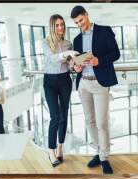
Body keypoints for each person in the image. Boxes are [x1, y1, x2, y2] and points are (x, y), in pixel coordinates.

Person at [71, 6, 120, 174]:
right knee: (89, 121)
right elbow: (76, 62)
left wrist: (99, 61)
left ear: (86, 15)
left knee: (101, 122)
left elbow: (116, 53)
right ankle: (98, 153)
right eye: (76, 23)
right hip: (83, 83)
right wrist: (76, 67)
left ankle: (105, 158)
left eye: (81, 20)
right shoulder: (77, 39)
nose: (80, 24)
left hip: (100, 84)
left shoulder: (104, 31)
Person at [43, 14, 79, 167]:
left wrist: (75, 65)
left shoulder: (68, 43)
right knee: (55, 117)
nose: (60, 28)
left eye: (62, 25)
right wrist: (66, 54)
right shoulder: (45, 42)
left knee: (63, 116)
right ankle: (50, 151)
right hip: (50, 82)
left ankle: (60, 148)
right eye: (57, 25)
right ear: (52, 26)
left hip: (65, 80)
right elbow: (51, 58)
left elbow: (70, 64)